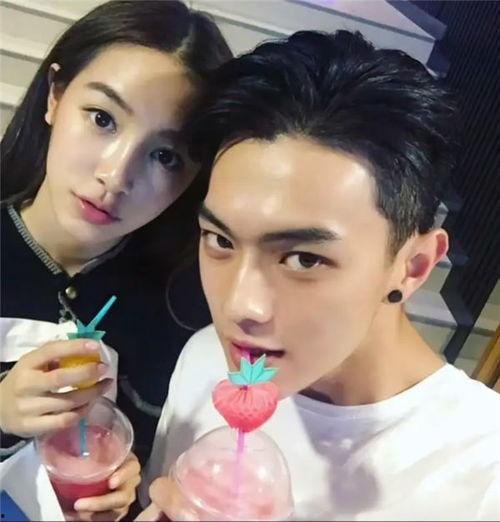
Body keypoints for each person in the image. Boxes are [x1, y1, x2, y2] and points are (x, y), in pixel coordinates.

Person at [140, 30, 500, 520]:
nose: (239, 306)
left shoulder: (483, 477)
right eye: (221, 241)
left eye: (304, 259)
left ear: (413, 266)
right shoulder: (206, 360)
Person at [0, 1, 230, 519]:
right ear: (55, 95)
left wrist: (124, 494)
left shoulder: (186, 313)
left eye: (165, 156)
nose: (116, 175)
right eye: (103, 119)